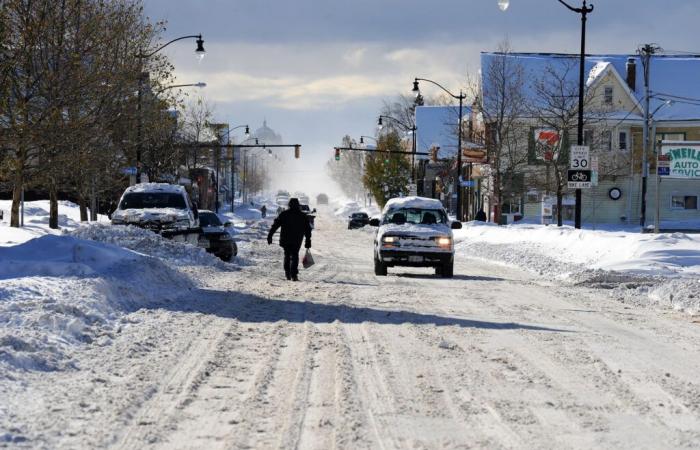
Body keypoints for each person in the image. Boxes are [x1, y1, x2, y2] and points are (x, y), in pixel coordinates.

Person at [267, 198, 312, 281]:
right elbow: (307, 229)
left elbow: (275, 225)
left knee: (287, 255)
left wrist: (270, 235)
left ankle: (288, 273)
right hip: (297, 240)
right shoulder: (302, 216)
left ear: (289, 205)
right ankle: (294, 274)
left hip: (285, 239)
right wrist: (308, 241)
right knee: (295, 255)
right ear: (298, 205)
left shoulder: (284, 214)